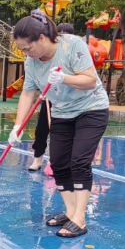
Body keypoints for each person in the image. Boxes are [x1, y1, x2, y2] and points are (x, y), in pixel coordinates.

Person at [10, 10, 109, 238]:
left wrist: (65, 78)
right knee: (59, 163)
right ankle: (71, 212)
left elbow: (90, 80)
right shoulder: (31, 62)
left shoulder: (72, 45)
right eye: (22, 50)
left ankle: (79, 219)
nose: (26, 53)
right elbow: (27, 93)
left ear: (41, 38)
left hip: (91, 108)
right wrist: (18, 125)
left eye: (28, 48)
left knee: (79, 161)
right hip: (62, 112)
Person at [28, 22, 77, 171]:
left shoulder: (74, 52)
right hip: (50, 96)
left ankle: (59, 161)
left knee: (63, 132)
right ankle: (37, 158)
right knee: (42, 127)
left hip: (70, 100)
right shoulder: (47, 53)